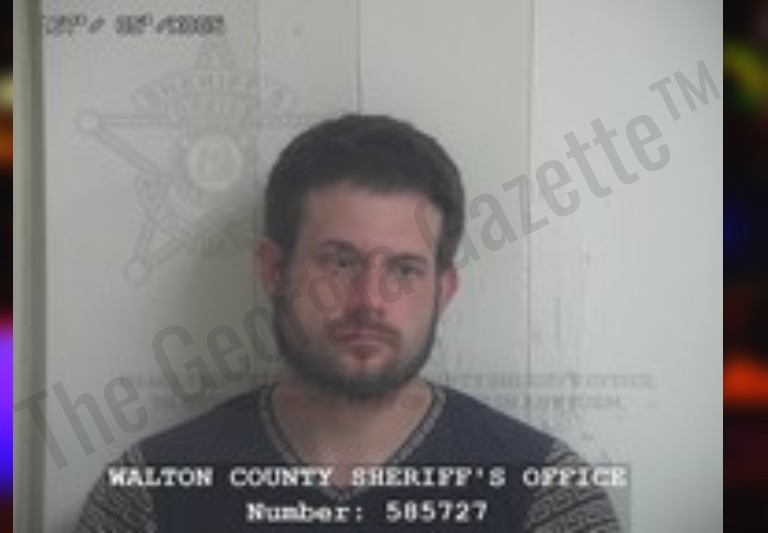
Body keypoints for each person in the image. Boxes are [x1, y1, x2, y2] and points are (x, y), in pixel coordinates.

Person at [76, 114, 621, 532]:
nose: (369, 301)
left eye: (403, 270)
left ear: (444, 290)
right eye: (339, 262)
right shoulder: (148, 496)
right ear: (273, 270)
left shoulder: (546, 496)